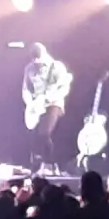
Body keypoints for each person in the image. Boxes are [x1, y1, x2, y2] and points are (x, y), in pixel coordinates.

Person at [22, 43, 72, 175]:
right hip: (36, 106)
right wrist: (31, 103)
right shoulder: (29, 69)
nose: (36, 61)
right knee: (33, 135)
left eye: (38, 58)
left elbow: (64, 88)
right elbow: (26, 89)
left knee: (44, 133)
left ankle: (50, 164)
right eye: (33, 58)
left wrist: (48, 99)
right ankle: (40, 163)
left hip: (53, 103)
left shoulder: (56, 67)